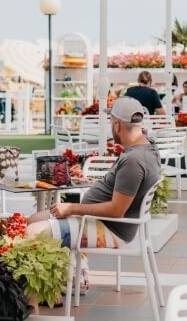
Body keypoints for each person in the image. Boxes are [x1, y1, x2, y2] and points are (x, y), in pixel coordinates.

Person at [25, 97, 161, 251]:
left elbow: (117, 211)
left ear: (117, 126)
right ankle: (71, 271)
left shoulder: (133, 161)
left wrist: (71, 208)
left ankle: (68, 271)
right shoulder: (146, 147)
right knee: (33, 220)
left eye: (111, 121)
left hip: (109, 229)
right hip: (100, 220)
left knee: (33, 232)